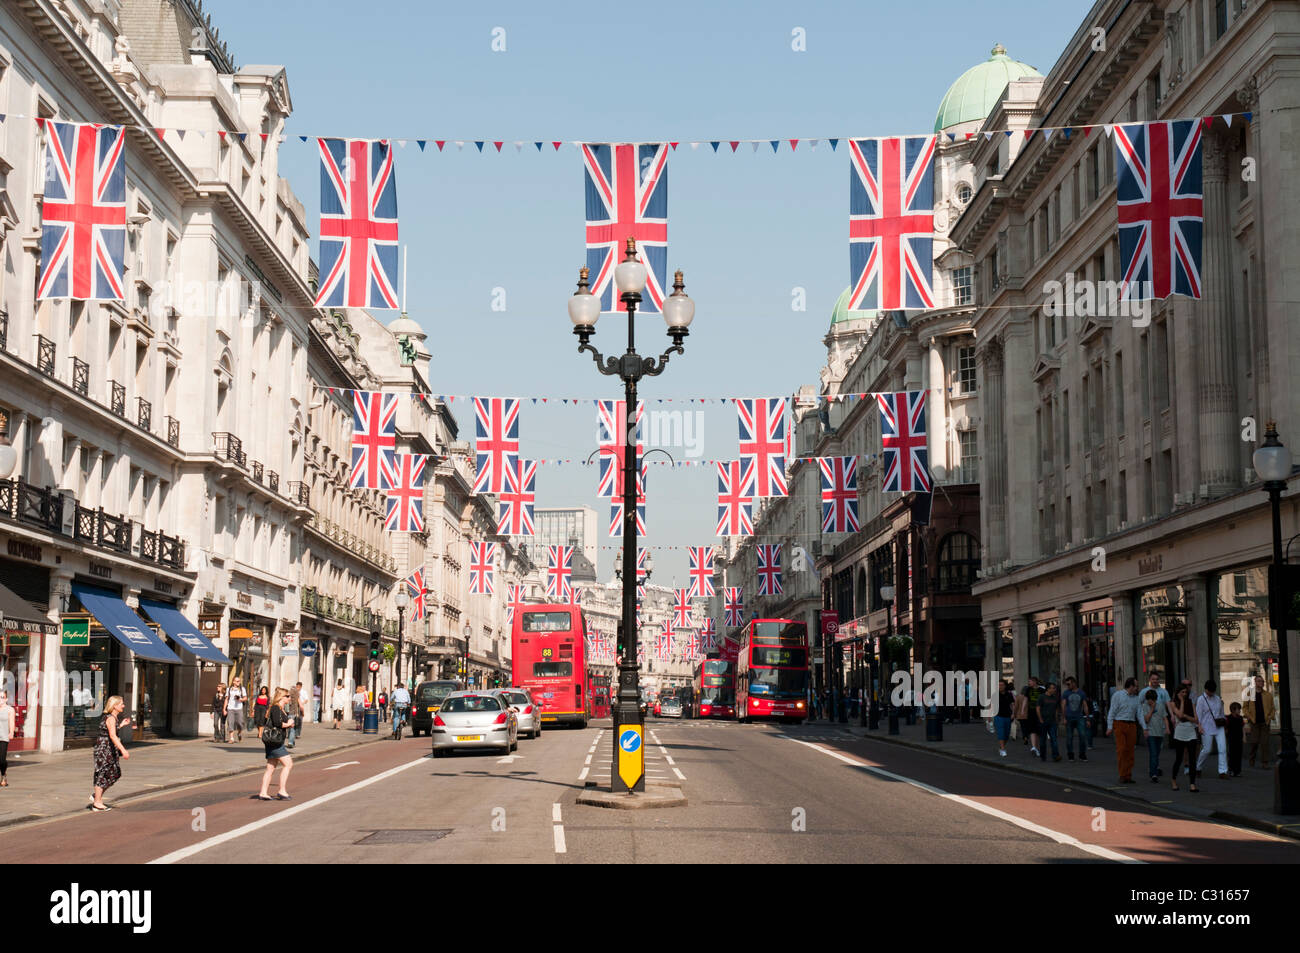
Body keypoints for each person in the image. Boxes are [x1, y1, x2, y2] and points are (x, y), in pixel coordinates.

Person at [90, 695, 131, 811]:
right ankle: (97, 803)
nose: (123, 706)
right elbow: (112, 736)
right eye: (121, 704)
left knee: (115, 773)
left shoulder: (113, 718)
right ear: (115, 706)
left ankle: (97, 795)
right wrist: (123, 750)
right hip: (104, 749)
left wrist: (122, 725)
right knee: (103, 773)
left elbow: (111, 731)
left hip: (108, 748)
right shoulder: (111, 718)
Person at [257, 688, 293, 801]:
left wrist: (288, 724)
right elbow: (277, 723)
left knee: (270, 768)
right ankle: (282, 790)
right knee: (288, 764)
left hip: (275, 741)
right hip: (275, 742)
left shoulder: (280, 708)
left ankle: (263, 792)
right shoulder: (276, 708)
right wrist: (288, 724)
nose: (289, 698)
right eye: (287, 696)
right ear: (282, 697)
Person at [1106, 677, 1141, 783]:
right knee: (1121, 750)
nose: (1137, 688)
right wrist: (1110, 726)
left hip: (1131, 724)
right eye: (1136, 686)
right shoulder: (1118, 695)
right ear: (1130, 686)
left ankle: (1128, 775)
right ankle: (1122, 775)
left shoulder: (1136, 698)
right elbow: (1112, 711)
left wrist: (1144, 727)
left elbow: (1139, 713)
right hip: (1119, 723)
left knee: (1130, 751)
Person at [1168, 684, 1201, 792]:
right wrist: (1182, 702)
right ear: (1178, 693)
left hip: (1191, 731)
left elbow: (1196, 719)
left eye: (1185, 692)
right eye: (1182, 692)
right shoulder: (1173, 703)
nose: (1184, 694)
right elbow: (1180, 715)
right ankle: (1173, 780)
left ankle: (1192, 783)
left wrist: (1187, 717)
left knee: (1192, 759)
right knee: (1179, 758)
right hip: (1180, 732)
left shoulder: (1191, 702)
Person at [1194, 679, 1229, 779]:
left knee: (1222, 749)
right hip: (1206, 727)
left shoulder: (1217, 698)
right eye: (1209, 691)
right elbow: (1198, 715)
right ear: (1205, 689)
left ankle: (1223, 771)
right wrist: (1199, 727)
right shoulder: (1201, 699)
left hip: (1219, 726)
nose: (1211, 693)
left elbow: (1221, 713)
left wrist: (1224, 723)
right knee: (1207, 749)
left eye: (1212, 691)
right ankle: (1198, 767)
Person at [1244, 674, 1274, 768]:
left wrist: (1269, 717)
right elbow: (1245, 707)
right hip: (1254, 722)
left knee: (1265, 743)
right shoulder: (1250, 694)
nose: (1261, 683)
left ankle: (1265, 763)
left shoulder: (1268, 695)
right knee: (1254, 742)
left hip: (1265, 722)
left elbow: (1273, 708)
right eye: (1259, 681)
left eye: (1262, 681)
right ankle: (1252, 758)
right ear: (1255, 682)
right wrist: (1249, 717)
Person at [1141, 688, 1166, 783]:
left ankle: (1154, 769)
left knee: (1157, 753)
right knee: (1153, 753)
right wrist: (1151, 709)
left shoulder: (1160, 705)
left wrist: (1166, 728)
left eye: (1152, 700)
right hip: (1150, 733)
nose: (1150, 702)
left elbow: (1164, 718)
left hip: (1160, 732)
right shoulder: (1144, 706)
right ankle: (1153, 774)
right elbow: (1146, 719)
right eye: (1149, 700)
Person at [1061, 676, 1089, 761]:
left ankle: (1082, 754)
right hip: (1069, 717)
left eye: (1069, 684)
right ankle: (1070, 755)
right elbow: (1063, 706)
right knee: (1069, 737)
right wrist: (1064, 718)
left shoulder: (1081, 693)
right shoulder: (1066, 693)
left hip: (1079, 717)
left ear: (1074, 683)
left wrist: (1087, 718)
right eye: (1066, 684)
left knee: (1083, 736)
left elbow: (1085, 706)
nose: (1067, 686)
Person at [1022, 677, 1045, 757]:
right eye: (1028, 681)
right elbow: (1025, 700)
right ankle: (1034, 747)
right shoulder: (1028, 690)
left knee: (1038, 731)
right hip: (1031, 712)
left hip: (1040, 713)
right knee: (1032, 730)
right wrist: (1023, 709)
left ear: (1035, 682)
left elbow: (1044, 700)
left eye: (1030, 681)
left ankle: (1037, 747)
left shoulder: (1042, 690)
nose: (1029, 683)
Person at [993, 679, 1015, 758]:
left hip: (1007, 716)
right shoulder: (995, 694)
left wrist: (1013, 713)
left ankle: (1001, 747)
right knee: (1001, 733)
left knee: (1006, 735)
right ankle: (1003, 749)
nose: (1000, 687)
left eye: (1002, 685)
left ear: (1005, 686)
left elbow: (1012, 704)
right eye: (999, 685)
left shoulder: (1009, 694)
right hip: (998, 716)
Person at [1225, 702, 1245, 777]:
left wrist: (1244, 737)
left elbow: (1243, 728)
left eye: (1239, 709)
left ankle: (1238, 771)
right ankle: (1231, 770)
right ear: (1233, 710)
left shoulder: (1240, 718)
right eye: (1238, 709)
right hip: (1231, 739)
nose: (1239, 711)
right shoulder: (1228, 718)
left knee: (1238, 755)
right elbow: (1226, 729)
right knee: (1232, 755)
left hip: (1239, 739)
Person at [225, 676, 246, 742]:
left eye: (239, 681)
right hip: (230, 708)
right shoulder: (229, 689)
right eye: (237, 681)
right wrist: (224, 708)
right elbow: (226, 699)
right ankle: (231, 738)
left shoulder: (242, 689)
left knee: (240, 723)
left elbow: (245, 698)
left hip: (239, 708)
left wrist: (240, 699)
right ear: (233, 681)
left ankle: (239, 733)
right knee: (230, 723)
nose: (238, 682)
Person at [0, 688, 14, 787]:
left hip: (4, 737)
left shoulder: (10, 709)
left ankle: (3, 774)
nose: (0, 699)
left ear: (6, 699)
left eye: (2, 697)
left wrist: (11, 732)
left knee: (2, 760)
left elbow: (12, 722)